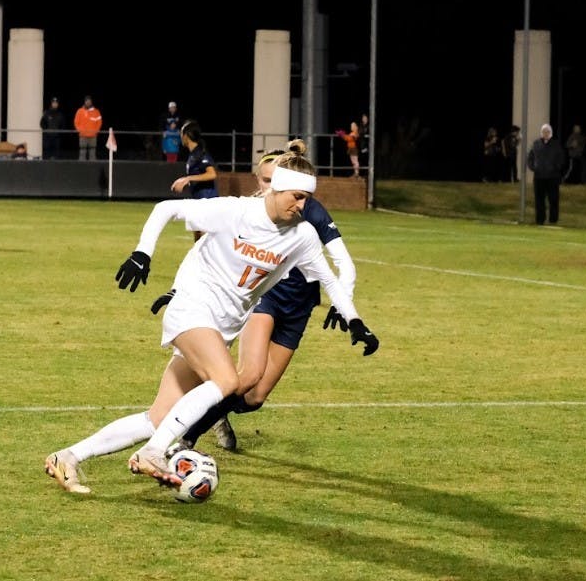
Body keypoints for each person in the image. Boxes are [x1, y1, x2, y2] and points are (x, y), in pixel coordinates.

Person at [43, 149, 380, 493]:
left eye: (307, 198)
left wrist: (354, 320)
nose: (302, 205)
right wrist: (143, 252)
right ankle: (155, 452)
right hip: (193, 308)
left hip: (223, 328)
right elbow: (167, 208)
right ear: (277, 189)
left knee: (158, 418)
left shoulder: (303, 236)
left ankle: (68, 456)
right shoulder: (235, 211)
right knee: (227, 380)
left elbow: (330, 280)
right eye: (297, 196)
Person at [160, 139, 360, 453]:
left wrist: (344, 303)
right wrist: (177, 289)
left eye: (273, 180)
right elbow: (206, 250)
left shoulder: (310, 211)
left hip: (301, 304)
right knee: (249, 373)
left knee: (255, 397)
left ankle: (215, 410)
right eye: (264, 180)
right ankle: (184, 436)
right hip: (265, 297)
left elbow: (342, 265)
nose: (267, 187)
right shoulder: (251, 209)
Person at [526, 123, 565, 225]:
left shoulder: (556, 144)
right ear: (541, 133)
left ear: (550, 133)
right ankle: (540, 220)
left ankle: (553, 220)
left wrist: (555, 168)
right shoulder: (536, 144)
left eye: (547, 131)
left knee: (553, 200)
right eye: (544, 131)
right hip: (539, 177)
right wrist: (534, 167)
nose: (545, 133)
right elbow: (530, 158)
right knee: (539, 200)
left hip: (553, 177)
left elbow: (561, 159)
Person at [73, 95, 102, 160]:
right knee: (82, 153)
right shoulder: (80, 111)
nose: (88, 102)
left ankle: (93, 168)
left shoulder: (96, 111)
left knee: (92, 153)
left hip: (93, 136)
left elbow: (99, 123)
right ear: (84, 102)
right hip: (83, 136)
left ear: (91, 102)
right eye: (86, 101)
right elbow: (76, 122)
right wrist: (80, 130)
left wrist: (96, 131)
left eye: (89, 101)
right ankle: (82, 168)